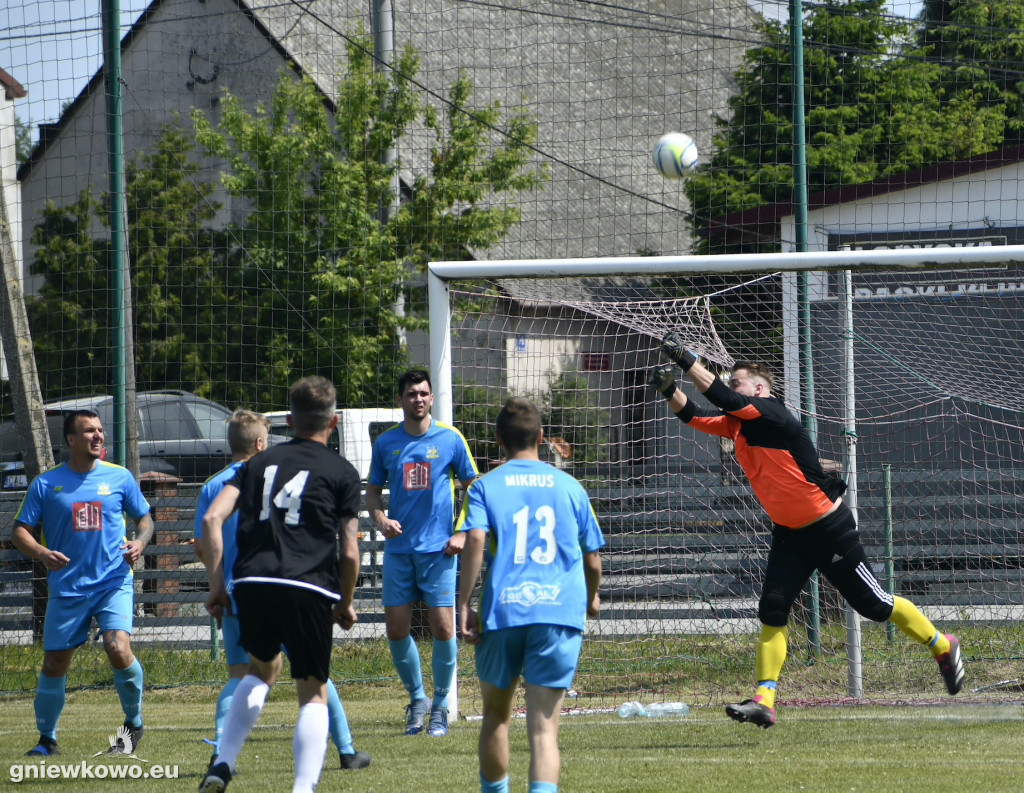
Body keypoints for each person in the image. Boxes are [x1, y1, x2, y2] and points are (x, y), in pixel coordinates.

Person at [648, 332, 966, 728]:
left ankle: (942, 644)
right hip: (789, 534)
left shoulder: (773, 415)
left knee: (876, 605)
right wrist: (668, 390)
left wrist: (685, 358)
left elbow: (723, 399)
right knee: (772, 611)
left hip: (828, 529)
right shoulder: (738, 427)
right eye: (732, 383)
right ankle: (764, 699)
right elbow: (693, 416)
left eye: (738, 381)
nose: (732, 388)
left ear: (760, 389)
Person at [199, 377, 362, 793]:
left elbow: (212, 520)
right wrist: (346, 602)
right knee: (312, 690)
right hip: (308, 585)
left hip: (252, 582)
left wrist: (218, 585)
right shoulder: (342, 472)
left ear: (289, 420)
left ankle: (222, 763)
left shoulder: (256, 463)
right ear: (335, 422)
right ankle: (303, 787)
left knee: (259, 670)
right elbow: (349, 552)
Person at [457, 397, 604, 793]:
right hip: (558, 614)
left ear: (499, 439)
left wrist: (463, 604)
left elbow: (474, 538)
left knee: (496, 716)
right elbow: (592, 560)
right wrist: (591, 598)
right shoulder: (571, 487)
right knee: (543, 730)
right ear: (541, 437)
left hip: (503, 611)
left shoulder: (485, 485)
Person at [11, 409, 153, 757]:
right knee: (55, 663)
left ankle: (133, 724)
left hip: (113, 583)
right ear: (71, 440)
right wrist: (43, 553)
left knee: (118, 648)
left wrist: (140, 542)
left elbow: (145, 520)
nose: (98, 435)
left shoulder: (119, 478)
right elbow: (19, 532)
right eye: (89, 431)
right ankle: (47, 740)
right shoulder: (46, 484)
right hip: (68, 588)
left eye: (100, 430)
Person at [365, 369, 479, 737]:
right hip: (399, 551)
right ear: (400, 400)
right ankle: (418, 699)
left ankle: (442, 706)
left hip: (439, 551)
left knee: (444, 627)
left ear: (431, 399)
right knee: (397, 628)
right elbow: (372, 491)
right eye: (411, 393)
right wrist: (380, 517)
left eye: (424, 393)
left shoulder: (450, 439)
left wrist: (462, 531)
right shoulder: (385, 444)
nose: (418, 399)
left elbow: (472, 488)